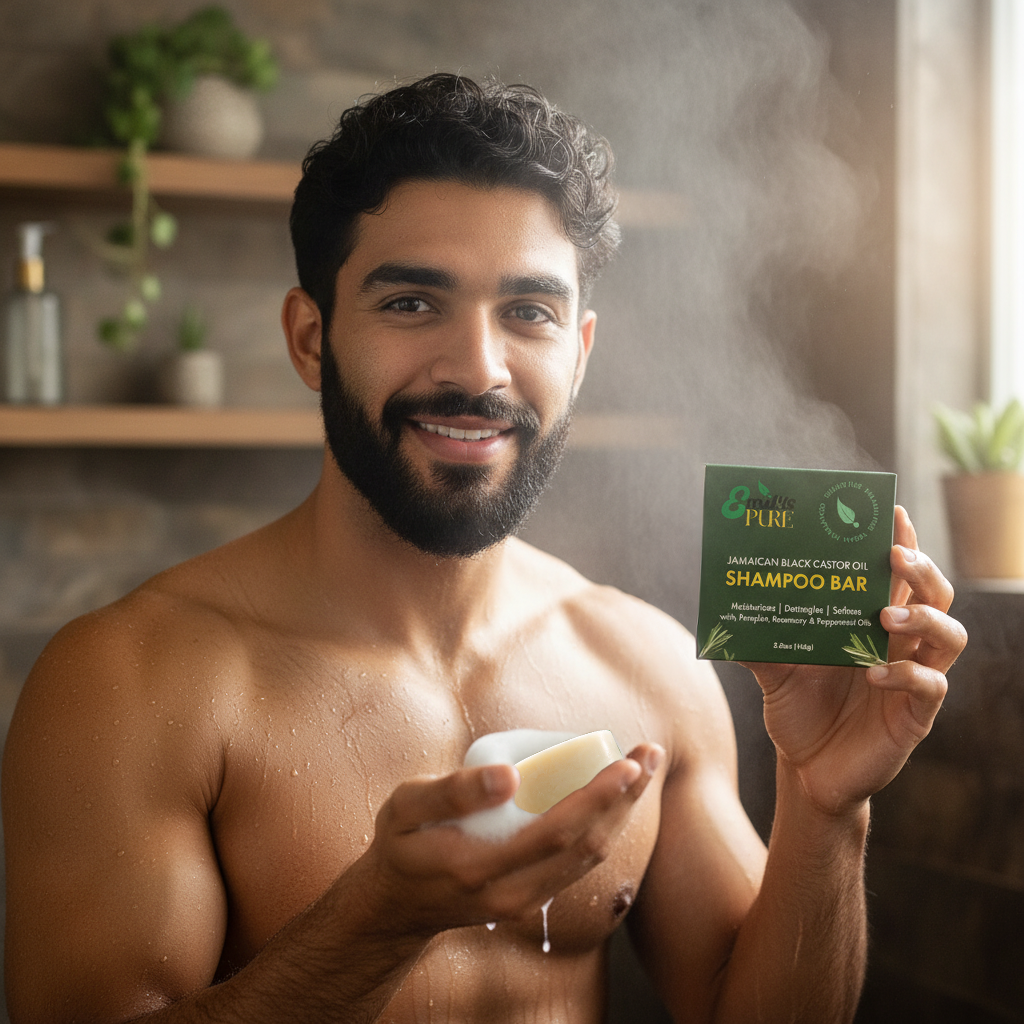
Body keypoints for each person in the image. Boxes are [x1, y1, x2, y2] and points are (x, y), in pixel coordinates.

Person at [2, 74, 965, 1024]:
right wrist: (378, 920)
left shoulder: (649, 664)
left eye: (528, 311)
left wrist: (825, 804)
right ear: (310, 339)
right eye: (412, 304)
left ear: (579, 351)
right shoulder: (131, 679)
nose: (478, 368)